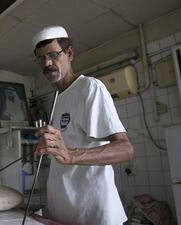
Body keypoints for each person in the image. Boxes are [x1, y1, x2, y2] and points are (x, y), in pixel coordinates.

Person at [31, 26, 134, 225]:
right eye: (41, 58)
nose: (47, 63)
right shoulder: (56, 98)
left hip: (93, 213)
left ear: (69, 54)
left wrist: (70, 155)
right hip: (61, 210)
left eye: (53, 55)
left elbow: (125, 149)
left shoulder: (89, 87)